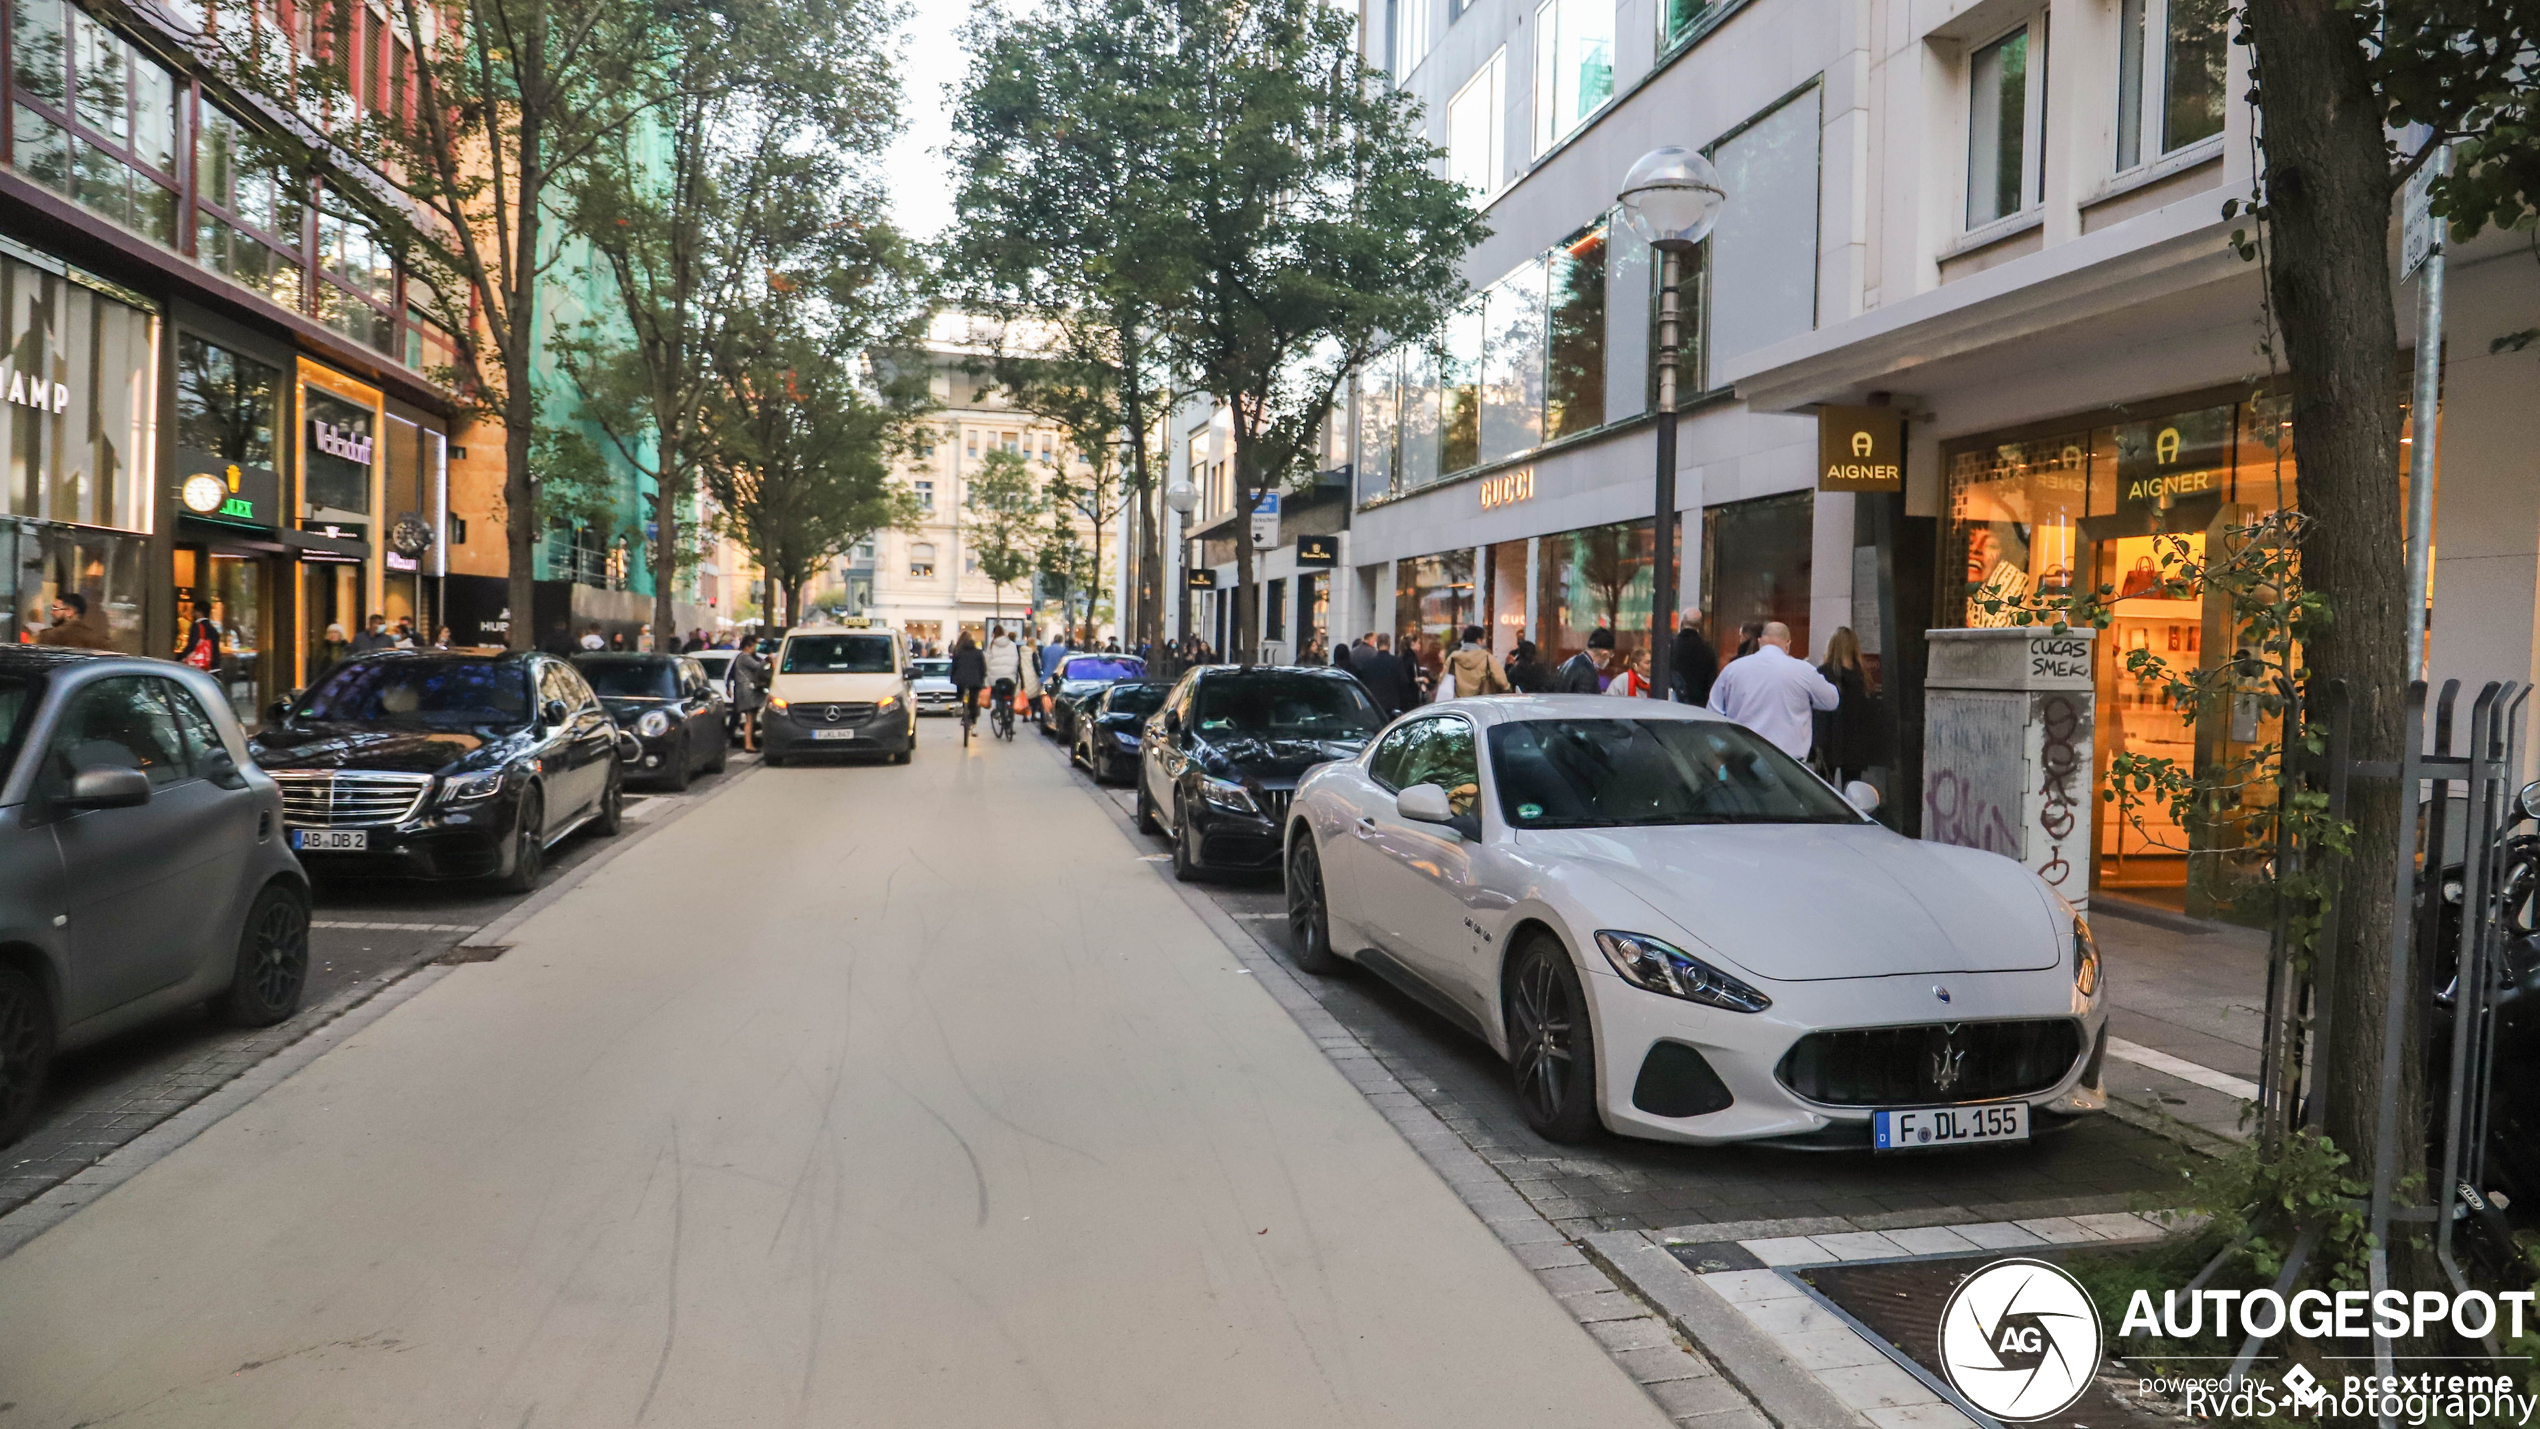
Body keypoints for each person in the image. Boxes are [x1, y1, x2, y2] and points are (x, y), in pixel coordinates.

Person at [1707, 621, 1839, 760]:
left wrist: (1721, 750)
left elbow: (1713, 711)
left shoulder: (1732, 670)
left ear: (1759, 642)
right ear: (1788, 644)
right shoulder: (1804, 671)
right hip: (1789, 763)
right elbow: (1832, 701)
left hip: (1742, 757)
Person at [1814, 626, 1880, 784]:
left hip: (1828, 740)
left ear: (1832, 646)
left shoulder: (1822, 673)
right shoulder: (1862, 676)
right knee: (1852, 789)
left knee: (1824, 788)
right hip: (1855, 743)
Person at [1444, 625, 1510, 698]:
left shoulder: (1453, 657)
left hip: (1458, 703)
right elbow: (1502, 681)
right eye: (1484, 639)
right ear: (1478, 640)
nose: (1484, 641)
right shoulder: (1487, 658)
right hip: (1481, 702)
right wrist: (1508, 690)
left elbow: (1442, 678)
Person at [1672, 610, 1720, 706]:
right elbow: (1711, 680)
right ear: (1700, 625)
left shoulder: (1671, 646)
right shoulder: (1707, 649)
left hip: (1674, 702)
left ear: (1682, 622)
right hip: (1698, 704)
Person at [730, 638, 769, 751]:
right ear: (748, 646)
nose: (755, 648)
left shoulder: (742, 658)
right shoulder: (744, 657)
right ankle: (748, 744)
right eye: (754, 646)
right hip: (748, 691)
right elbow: (758, 666)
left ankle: (750, 742)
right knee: (750, 718)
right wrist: (767, 660)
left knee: (750, 718)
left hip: (746, 691)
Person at [37, 592, 112, 649]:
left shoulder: (48, 636)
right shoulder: (98, 639)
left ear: (69, 611)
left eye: (55, 608)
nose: (51, 612)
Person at [949, 631, 988, 734]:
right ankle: (973, 722)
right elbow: (983, 668)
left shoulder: (958, 651)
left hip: (961, 680)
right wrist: (982, 679)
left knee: (961, 695)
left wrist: (953, 679)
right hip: (975, 680)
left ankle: (962, 709)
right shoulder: (978, 652)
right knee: (974, 701)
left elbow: (954, 667)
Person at [1553, 627, 1614, 693]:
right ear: (1604, 653)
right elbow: (1587, 701)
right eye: (1610, 655)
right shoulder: (1588, 673)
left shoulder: (1567, 663)